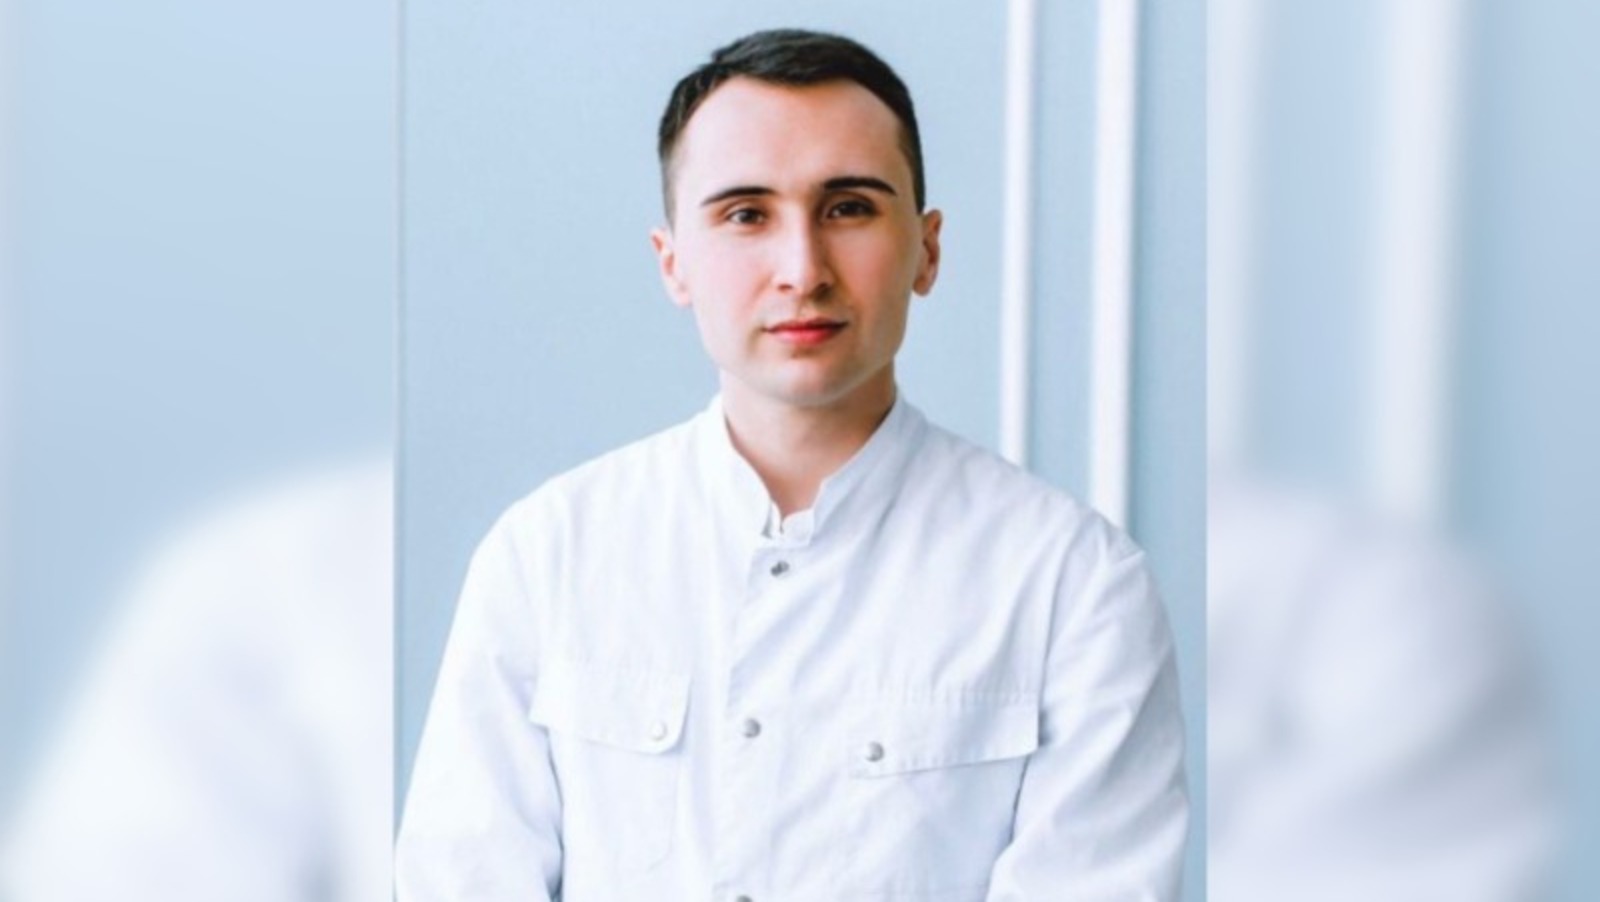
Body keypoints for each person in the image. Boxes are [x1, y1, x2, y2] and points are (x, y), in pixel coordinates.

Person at [395, 28, 1187, 901]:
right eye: (746, 215)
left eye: (848, 208)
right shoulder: (547, 555)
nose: (802, 271)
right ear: (673, 262)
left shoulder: (1073, 585)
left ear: (926, 250)